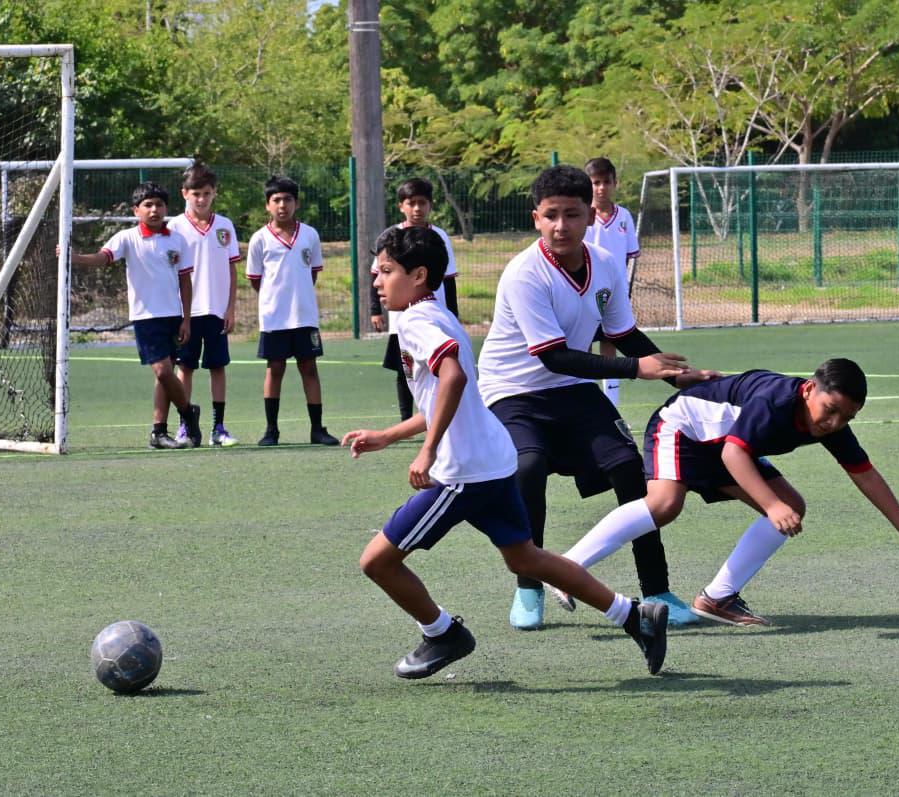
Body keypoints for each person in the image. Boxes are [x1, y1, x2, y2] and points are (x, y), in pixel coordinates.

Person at [342, 225, 669, 680]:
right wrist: (390, 435)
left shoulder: (415, 321)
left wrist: (428, 451)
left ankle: (441, 633)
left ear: (418, 275)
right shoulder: (439, 313)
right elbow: (452, 395)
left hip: (463, 473)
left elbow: (453, 379)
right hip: (495, 460)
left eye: (386, 271)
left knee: (376, 561)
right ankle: (635, 617)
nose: (377, 282)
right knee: (525, 558)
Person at [476, 165, 718, 631]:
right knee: (528, 467)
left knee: (631, 468)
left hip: (571, 390)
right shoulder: (524, 274)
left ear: (591, 215)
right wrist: (637, 369)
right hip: (512, 391)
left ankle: (657, 589)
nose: (561, 225)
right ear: (536, 219)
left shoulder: (605, 262)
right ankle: (529, 584)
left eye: (572, 214)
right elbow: (554, 357)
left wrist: (680, 376)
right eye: (550, 215)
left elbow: (623, 332)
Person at [549, 359, 899, 626]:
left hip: (724, 446)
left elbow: (865, 474)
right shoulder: (776, 400)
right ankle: (566, 569)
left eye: (847, 417)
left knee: (793, 508)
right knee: (665, 504)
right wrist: (770, 506)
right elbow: (735, 452)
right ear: (809, 390)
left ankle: (717, 598)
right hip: (683, 427)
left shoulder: (832, 426)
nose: (834, 422)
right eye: (831, 408)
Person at [67, 181, 202, 450]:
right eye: (148, 205)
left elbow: (185, 281)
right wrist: (76, 258)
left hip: (173, 317)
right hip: (145, 317)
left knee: (165, 374)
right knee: (163, 372)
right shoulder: (126, 237)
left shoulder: (177, 239)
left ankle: (159, 432)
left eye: (159, 205)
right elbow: (103, 258)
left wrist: (186, 318)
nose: (154, 210)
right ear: (136, 210)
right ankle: (188, 412)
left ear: (166, 208)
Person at [246, 175, 339, 447]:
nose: (282, 205)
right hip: (274, 317)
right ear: (267, 205)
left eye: (287, 199)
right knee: (274, 368)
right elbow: (255, 279)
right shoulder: (259, 239)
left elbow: (312, 274)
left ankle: (317, 429)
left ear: (296, 203)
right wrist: (275, 299)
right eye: (276, 200)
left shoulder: (309, 235)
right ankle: (271, 430)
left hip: (305, 316)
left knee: (309, 368)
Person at [369, 177, 459, 421]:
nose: (417, 208)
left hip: (434, 313)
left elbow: (449, 280)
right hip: (402, 318)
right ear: (401, 206)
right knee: (405, 369)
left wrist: (454, 315)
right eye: (411, 203)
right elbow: (375, 276)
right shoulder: (391, 238)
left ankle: (436, 416)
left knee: (436, 367)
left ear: (430, 205)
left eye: (422, 203)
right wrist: (375, 310)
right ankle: (406, 418)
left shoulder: (439, 237)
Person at [170, 163, 241, 447]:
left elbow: (233, 268)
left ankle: (218, 428)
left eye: (207, 193)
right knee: (184, 367)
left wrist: (231, 307)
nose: (201, 198)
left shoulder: (224, 226)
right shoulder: (173, 227)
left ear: (215, 194)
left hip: (216, 310)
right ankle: (184, 426)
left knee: (217, 367)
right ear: (184, 193)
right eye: (196, 193)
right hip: (185, 313)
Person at [583, 157, 640, 408]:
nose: (601, 188)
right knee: (582, 343)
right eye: (596, 182)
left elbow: (629, 257)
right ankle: (583, 395)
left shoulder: (624, 216)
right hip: (584, 292)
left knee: (610, 342)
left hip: (613, 294)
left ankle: (611, 402)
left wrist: (621, 289)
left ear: (615, 183)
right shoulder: (583, 216)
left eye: (606, 182)